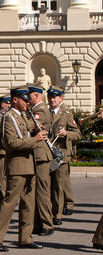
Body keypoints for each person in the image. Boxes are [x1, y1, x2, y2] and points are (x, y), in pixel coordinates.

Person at [0, 86, 47, 252]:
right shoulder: (8, 118)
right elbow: (11, 143)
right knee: (9, 203)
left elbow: (28, 133)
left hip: (29, 165)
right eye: (24, 99)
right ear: (15, 100)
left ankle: (25, 238)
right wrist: (35, 139)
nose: (27, 102)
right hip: (17, 166)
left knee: (28, 204)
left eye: (28, 99)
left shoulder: (24, 116)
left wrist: (37, 130)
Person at [47, 86, 81, 226]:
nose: (52, 99)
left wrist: (66, 133)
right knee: (47, 185)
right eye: (50, 97)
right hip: (47, 153)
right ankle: (48, 212)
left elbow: (77, 134)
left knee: (59, 185)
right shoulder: (44, 112)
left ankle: (57, 214)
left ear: (61, 98)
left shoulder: (66, 113)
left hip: (61, 154)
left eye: (55, 97)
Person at [27, 84, 55, 236]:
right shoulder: (34, 110)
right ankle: (38, 223)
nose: (27, 98)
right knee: (35, 190)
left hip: (41, 155)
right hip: (36, 154)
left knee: (42, 190)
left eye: (29, 95)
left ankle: (46, 223)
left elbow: (31, 127)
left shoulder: (41, 111)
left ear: (36, 95)